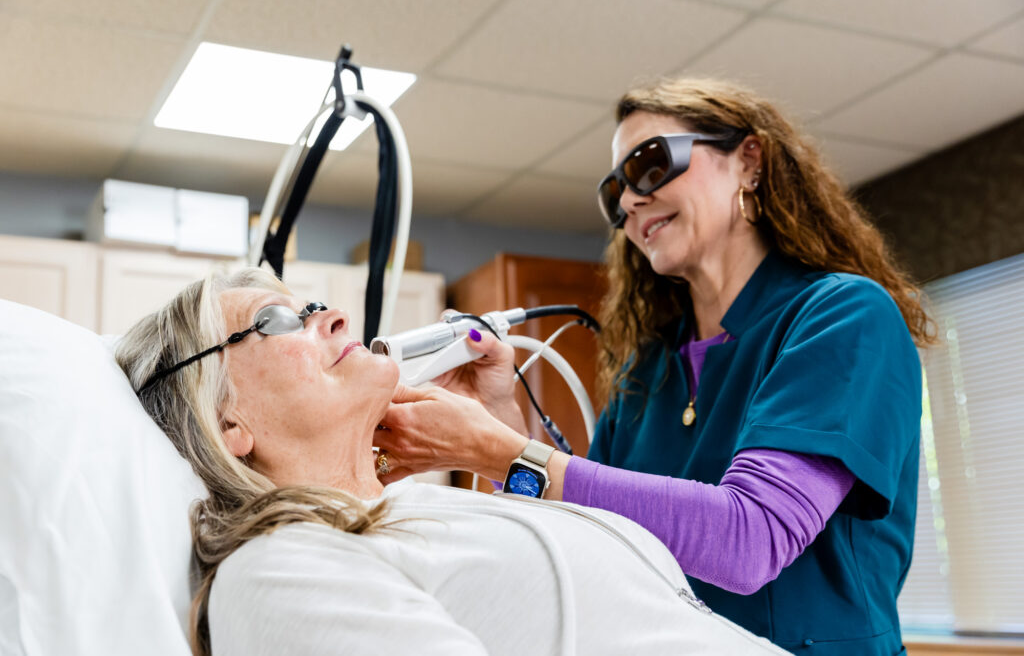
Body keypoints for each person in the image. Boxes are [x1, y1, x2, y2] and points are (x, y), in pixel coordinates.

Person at [374, 76, 931, 655]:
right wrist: (497, 418)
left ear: (749, 161)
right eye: (615, 189)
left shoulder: (844, 317)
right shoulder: (650, 371)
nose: (629, 201)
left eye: (649, 165)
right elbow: (589, 542)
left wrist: (488, 448)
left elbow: (751, 540)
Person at [115, 268, 786, 656]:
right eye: (280, 320)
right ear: (225, 419)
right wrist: (497, 451)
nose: (337, 319)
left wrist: (498, 434)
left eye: (317, 304)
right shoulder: (275, 571)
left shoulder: (412, 510)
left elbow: (569, 610)